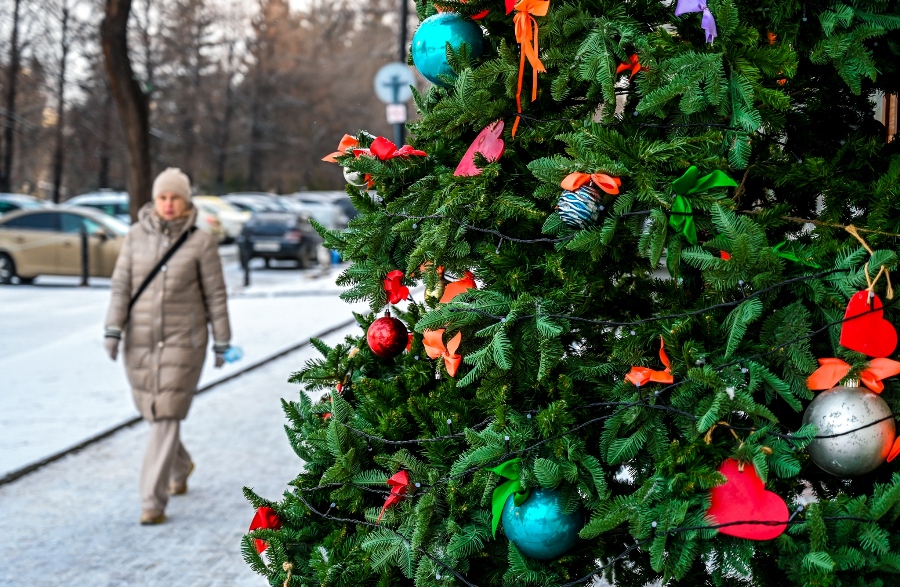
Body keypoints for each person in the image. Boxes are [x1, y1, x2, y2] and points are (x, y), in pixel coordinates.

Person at [103, 168, 232, 525]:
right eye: (163, 197)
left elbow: (216, 297)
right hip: (139, 340)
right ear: (155, 200)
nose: (169, 204)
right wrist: (113, 330)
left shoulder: (201, 241)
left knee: (167, 414)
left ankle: (152, 502)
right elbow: (121, 288)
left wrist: (222, 341)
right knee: (153, 410)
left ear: (186, 199)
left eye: (175, 197)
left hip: (184, 341)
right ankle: (181, 464)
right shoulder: (134, 237)